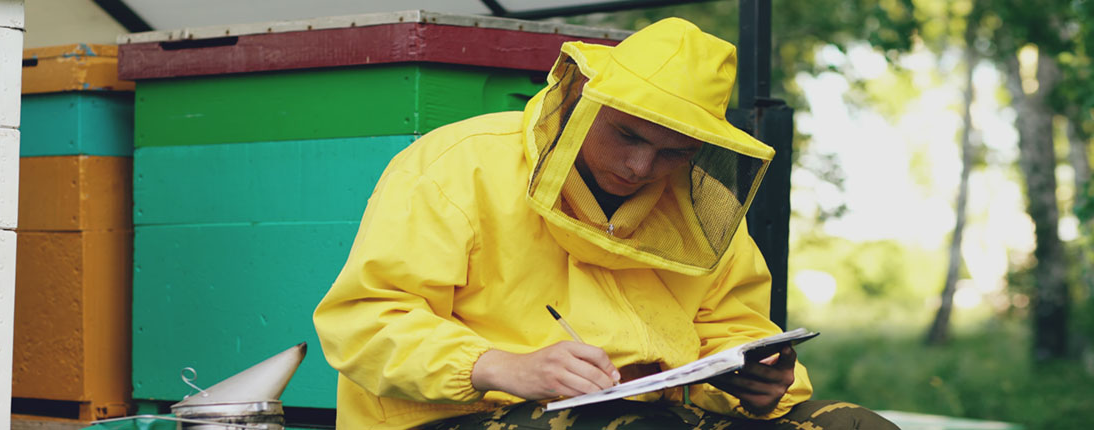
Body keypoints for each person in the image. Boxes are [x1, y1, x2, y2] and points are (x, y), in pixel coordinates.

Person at [313, 17, 899, 430]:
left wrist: (759, 382)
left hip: (654, 416)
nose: (641, 167)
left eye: (672, 153)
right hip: (458, 418)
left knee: (854, 425)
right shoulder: (456, 165)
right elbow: (365, 321)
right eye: (627, 135)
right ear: (582, 99)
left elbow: (725, 322)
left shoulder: (695, 206)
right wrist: (501, 367)